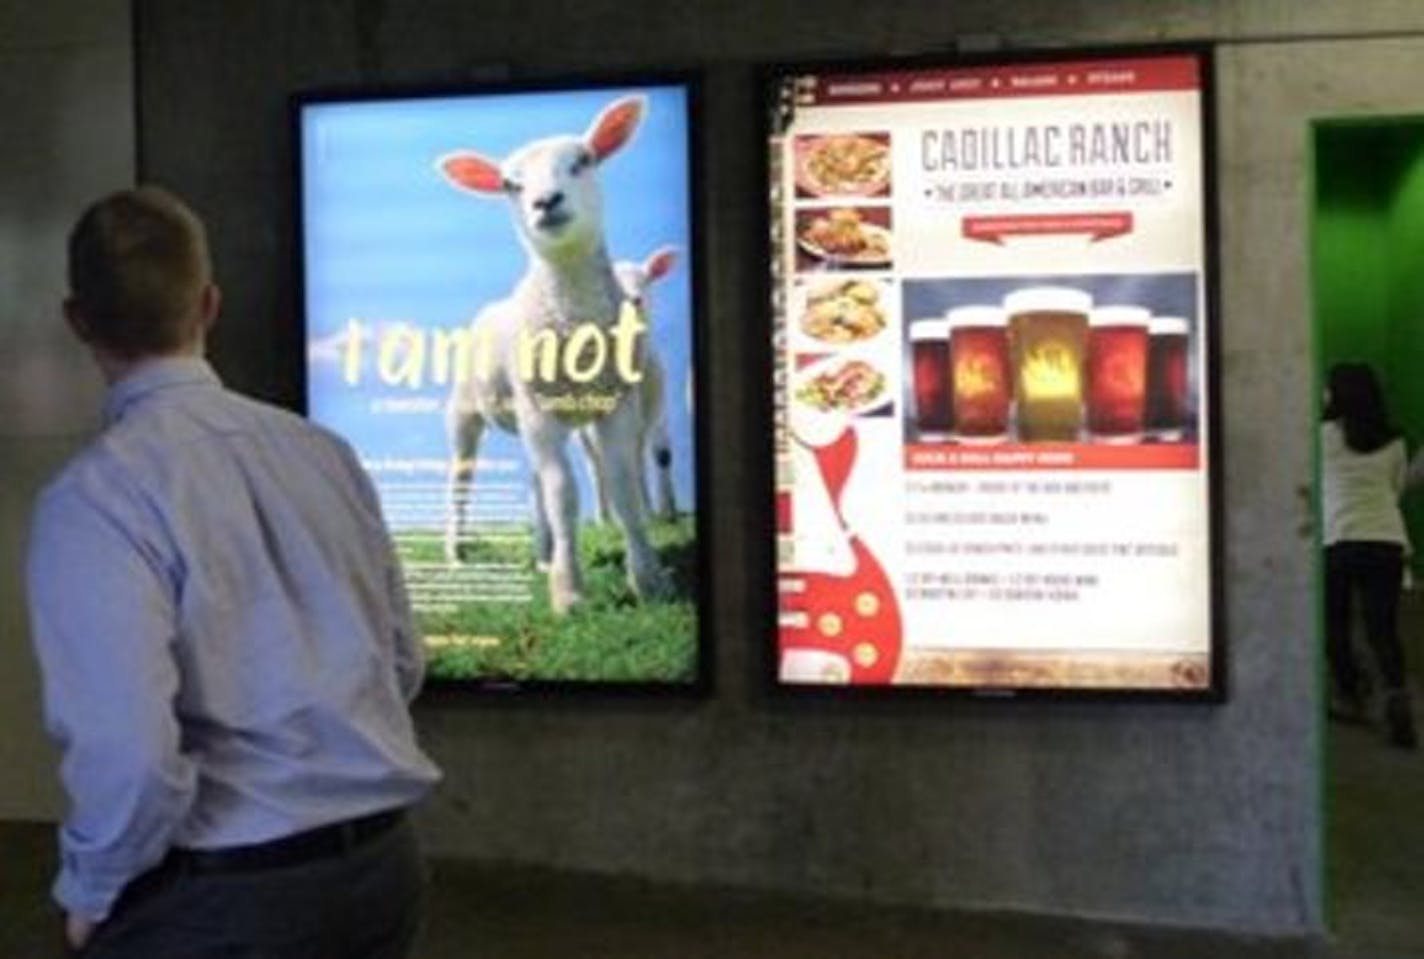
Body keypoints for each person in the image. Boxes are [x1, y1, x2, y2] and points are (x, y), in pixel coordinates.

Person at [25, 185, 442, 958]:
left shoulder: (93, 500)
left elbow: (132, 752)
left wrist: (89, 890)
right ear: (209, 305)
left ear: (77, 320)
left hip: (218, 903)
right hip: (381, 873)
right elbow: (402, 662)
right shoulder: (324, 454)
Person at [1320, 362, 1418, 749]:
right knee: (1383, 628)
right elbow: (1395, 490)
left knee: (1336, 626)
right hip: (1386, 540)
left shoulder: (1322, 435)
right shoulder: (1395, 441)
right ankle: (1397, 700)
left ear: (1337, 394)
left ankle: (1351, 694)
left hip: (1339, 538)